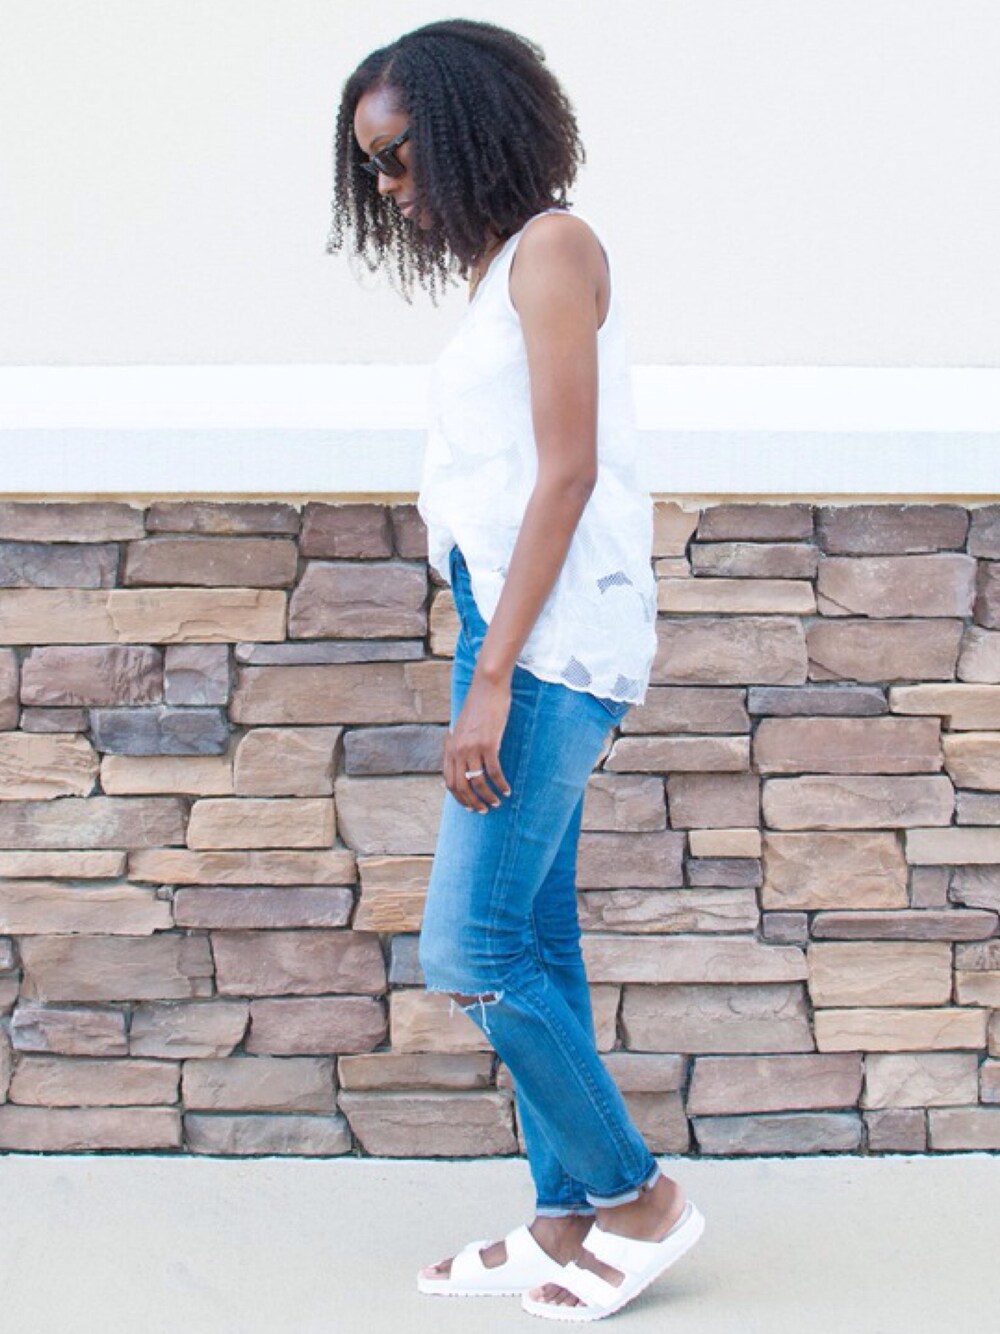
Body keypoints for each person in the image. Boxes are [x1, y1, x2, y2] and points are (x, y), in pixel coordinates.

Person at [327, 18, 705, 1321]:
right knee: (538, 933)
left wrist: (491, 678)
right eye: (372, 166)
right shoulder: (503, 266)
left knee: (472, 945)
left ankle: (638, 1197)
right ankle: (562, 1219)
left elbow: (569, 471)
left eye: (398, 154)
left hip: (543, 644)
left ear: (468, 126)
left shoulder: (553, 246)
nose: (388, 185)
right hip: (509, 626)